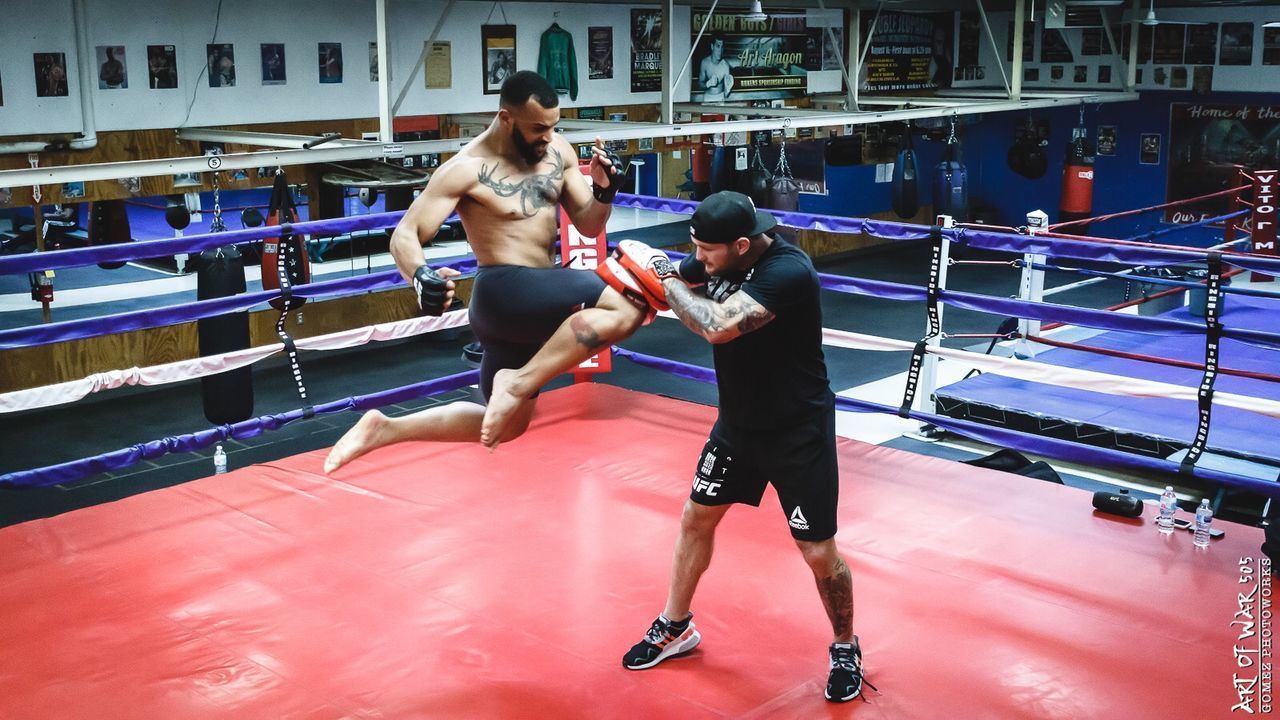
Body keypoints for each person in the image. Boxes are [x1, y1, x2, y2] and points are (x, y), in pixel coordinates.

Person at [322, 70, 643, 474]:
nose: (547, 135)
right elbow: (405, 234)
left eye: (553, 126)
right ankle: (519, 381)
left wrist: (604, 192)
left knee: (506, 426)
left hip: (537, 303)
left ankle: (384, 428)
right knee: (625, 298)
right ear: (505, 119)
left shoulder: (557, 150)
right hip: (504, 292)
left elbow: (589, 224)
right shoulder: (466, 168)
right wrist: (420, 276)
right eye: (537, 128)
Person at [625, 191, 869, 703]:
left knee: (818, 551)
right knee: (697, 517)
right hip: (738, 425)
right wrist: (627, 275)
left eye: (709, 251)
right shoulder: (717, 251)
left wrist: (664, 278)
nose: (701, 258)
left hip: (797, 430)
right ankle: (676, 625)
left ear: (741, 244)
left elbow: (717, 326)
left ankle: (845, 646)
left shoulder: (789, 271)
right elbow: (683, 279)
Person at [698, 36, 734, 101]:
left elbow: (726, 95)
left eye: (722, 47)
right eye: (718, 46)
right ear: (712, 46)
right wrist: (708, 84)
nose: (720, 50)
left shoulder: (725, 66)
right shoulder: (705, 63)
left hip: (720, 98)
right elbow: (699, 85)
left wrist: (728, 90)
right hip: (707, 98)